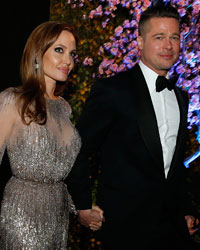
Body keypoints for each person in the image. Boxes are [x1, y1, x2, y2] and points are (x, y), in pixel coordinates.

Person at [67, 2, 199, 250]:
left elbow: (173, 164)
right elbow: (79, 150)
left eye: (174, 37)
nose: (169, 46)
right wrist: (83, 206)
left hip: (173, 228)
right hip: (125, 227)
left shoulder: (182, 97)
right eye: (159, 37)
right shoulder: (112, 91)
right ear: (139, 41)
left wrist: (186, 209)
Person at [0, 20, 102, 249]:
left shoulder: (64, 108)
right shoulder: (12, 100)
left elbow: (63, 171)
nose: (68, 60)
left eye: (72, 54)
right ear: (38, 52)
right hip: (21, 214)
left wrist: (82, 209)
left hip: (58, 216)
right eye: (59, 50)